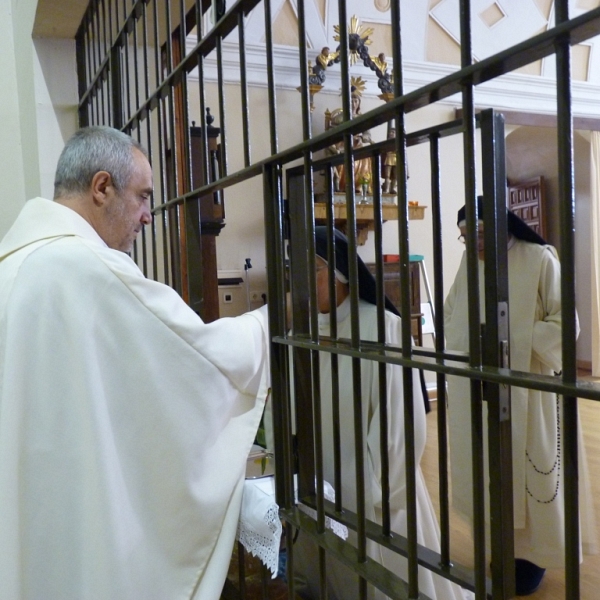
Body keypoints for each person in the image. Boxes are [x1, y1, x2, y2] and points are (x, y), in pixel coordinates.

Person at [0, 126, 270, 600]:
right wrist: (269, 323)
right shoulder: (86, 269)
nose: (148, 216)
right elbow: (198, 356)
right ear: (102, 187)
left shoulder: (10, 265)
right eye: (143, 197)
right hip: (72, 529)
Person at [292, 227, 467, 600]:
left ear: (340, 274)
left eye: (315, 270)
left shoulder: (383, 328)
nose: (303, 281)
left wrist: (378, 488)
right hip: (320, 471)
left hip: (371, 484)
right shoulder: (302, 330)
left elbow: (402, 423)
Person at [444, 197, 596, 596]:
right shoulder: (470, 262)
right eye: (464, 238)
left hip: (530, 388)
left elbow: (566, 323)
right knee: (490, 466)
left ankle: (531, 556)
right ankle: (499, 547)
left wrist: (512, 345)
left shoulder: (541, 258)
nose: (472, 244)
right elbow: (453, 311)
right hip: (481, 388)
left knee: (529, 469)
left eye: (477, 234)